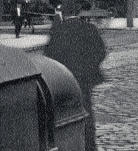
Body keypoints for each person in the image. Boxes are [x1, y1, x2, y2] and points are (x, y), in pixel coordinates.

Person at [44, 14, 106, 151]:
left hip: (64, 81)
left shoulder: (58, 30)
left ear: (64, 14)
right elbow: (101, 52)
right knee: (86, 113)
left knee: (65, 117)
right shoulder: (89, 28)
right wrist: (89, 68)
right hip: (83, 81)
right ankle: (89, 145)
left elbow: (48, 56)